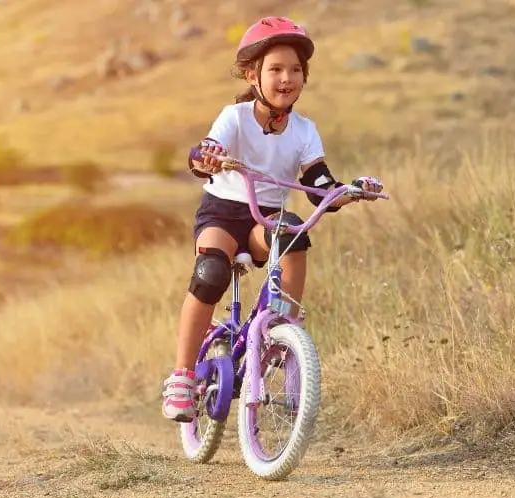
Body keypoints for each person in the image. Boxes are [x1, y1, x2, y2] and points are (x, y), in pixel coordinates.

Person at [161, 16, 384, 423]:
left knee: (295, 235)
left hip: (265, 218)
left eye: (296, 70)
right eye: (276, 69)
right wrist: (205, 156)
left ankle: (283, 329)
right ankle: (182, 375)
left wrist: (347, 191)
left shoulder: (304, 130)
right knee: (211, 272)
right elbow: (205, 151)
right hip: (224, 212)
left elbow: (318, 181)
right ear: (253, 75)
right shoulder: (235, 117)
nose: (287, 78)